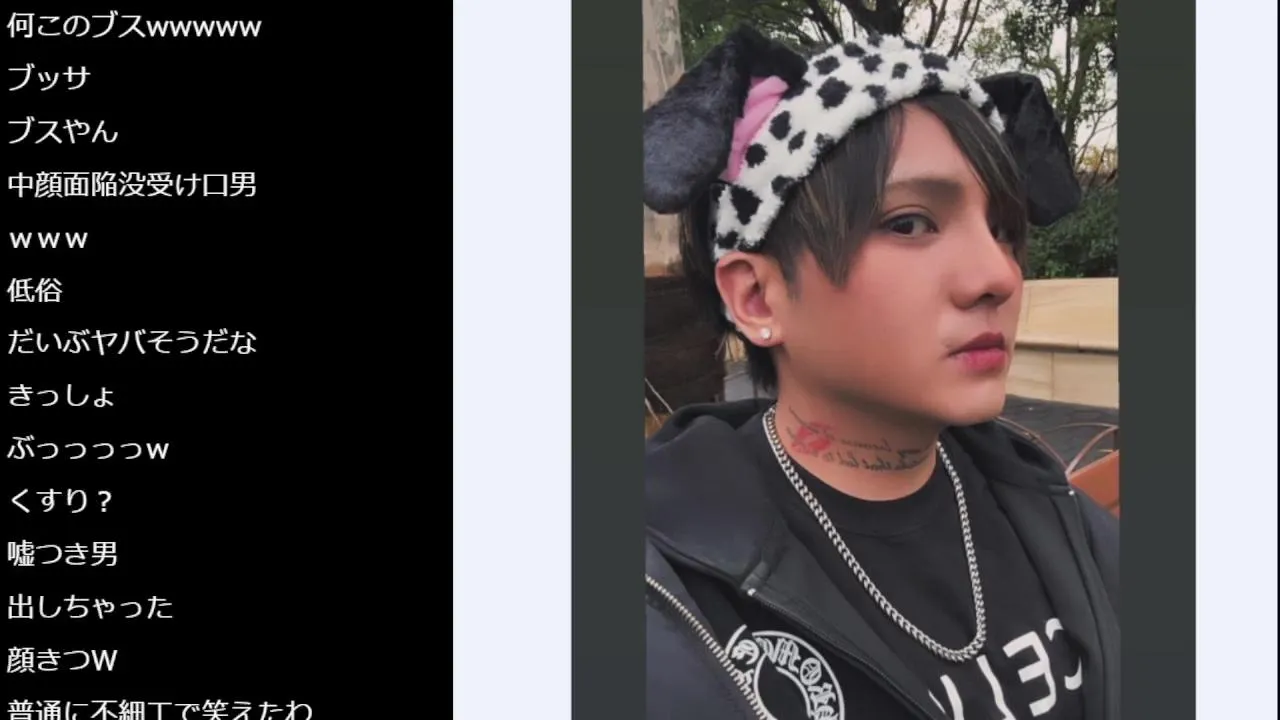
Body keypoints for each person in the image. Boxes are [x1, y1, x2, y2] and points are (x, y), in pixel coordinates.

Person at [641, 24, 1119, 720]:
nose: (998, 275)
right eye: (910, 223)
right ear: (757, 297)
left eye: (1003, 230)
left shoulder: (1055, 515)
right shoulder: (664, 591)